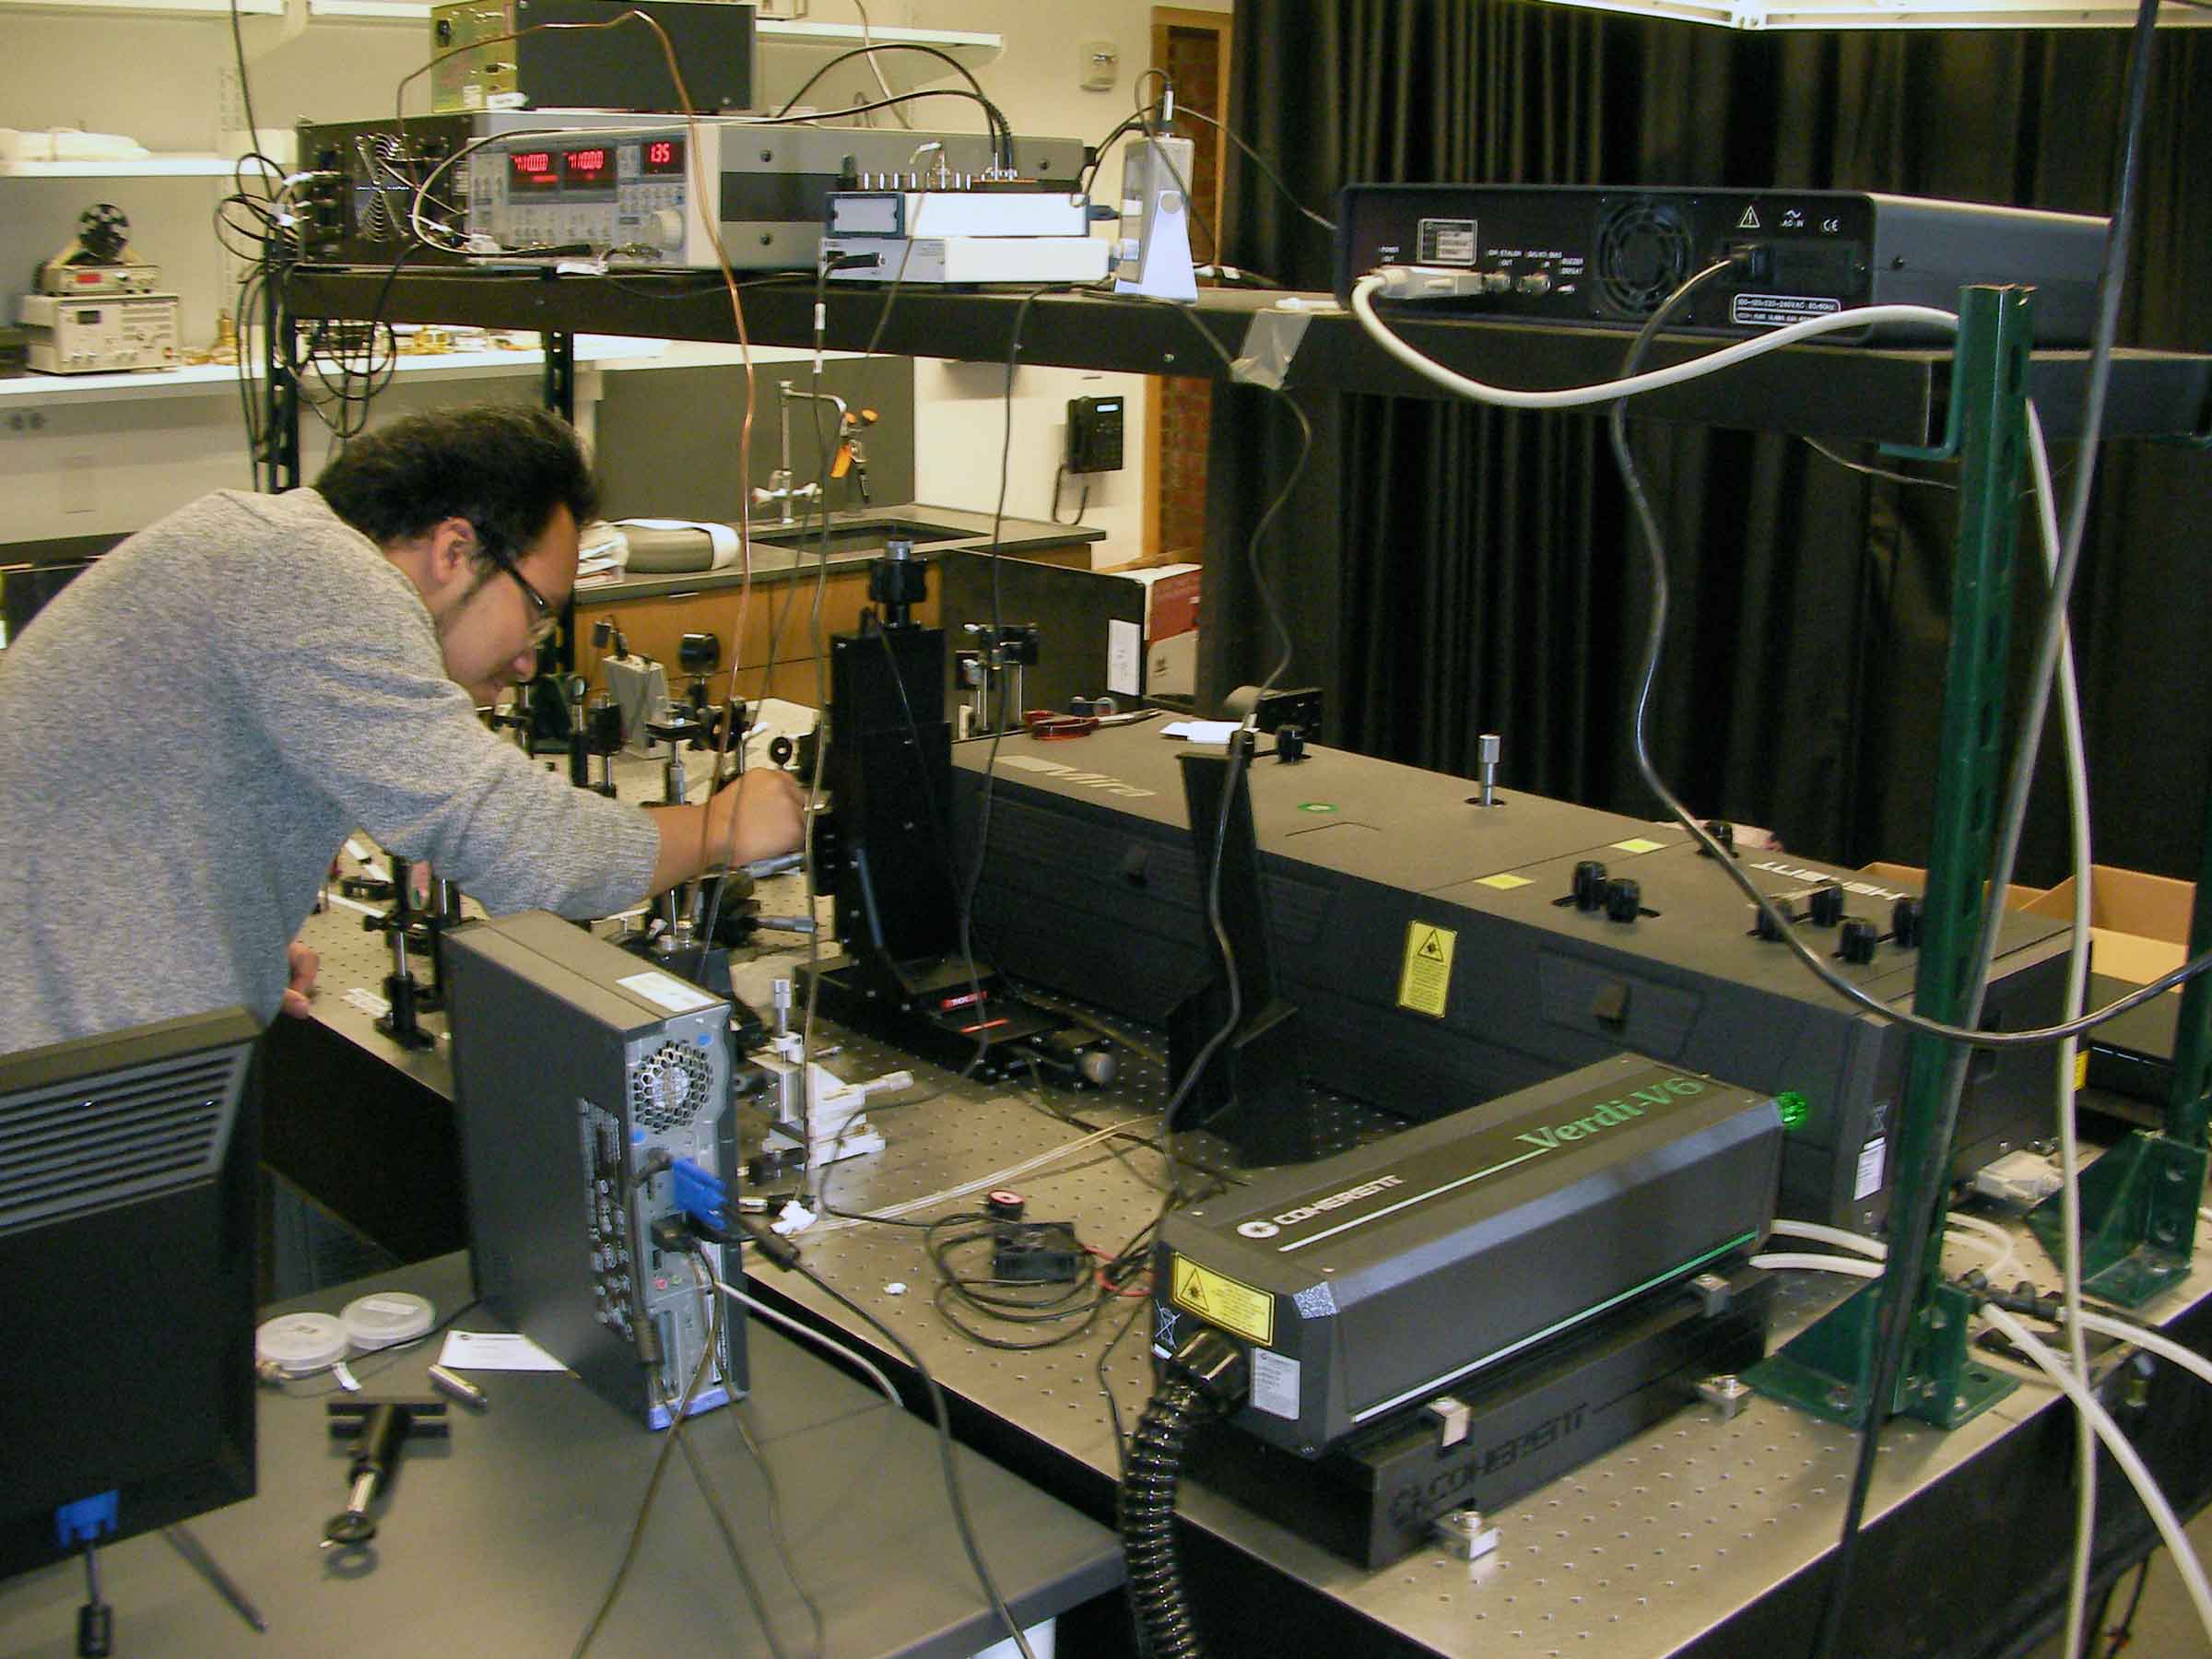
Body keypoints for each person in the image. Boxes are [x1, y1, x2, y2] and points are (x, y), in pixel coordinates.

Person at [0, 403, 802, 1053]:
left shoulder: (256, 544)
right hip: (50, 1077)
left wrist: (222, 939)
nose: (530, 661)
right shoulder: (315, 574)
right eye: (538, 611)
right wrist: (721, 827)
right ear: (455, 550)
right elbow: (527, 849)